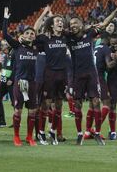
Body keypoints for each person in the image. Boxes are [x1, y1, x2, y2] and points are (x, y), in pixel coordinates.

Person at [67, 2, 117, 146]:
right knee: (78, 105)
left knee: (96, 102)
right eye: (71, 24)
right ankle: (80, 134)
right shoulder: (68, 37)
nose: (72, 25)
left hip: (91, 74)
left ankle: (97, 133)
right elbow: (55, 29)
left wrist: (116, 11)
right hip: (77, 75)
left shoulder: (89, 34)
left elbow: (104, 24)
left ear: (81, 25)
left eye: (75, 23)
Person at [3, 7, 38, 146]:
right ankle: (16, 136)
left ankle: (30, 137)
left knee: (33, 111)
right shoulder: (17, 46)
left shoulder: (36, 48)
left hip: (33, 82)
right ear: (22, 36)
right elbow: (5, 35)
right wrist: (6, 19)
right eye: (27, 33)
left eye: (32, 34)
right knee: (18, 110)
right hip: (20, 82)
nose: (30, 35)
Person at [34, 9, 68, 146]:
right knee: (46, 104)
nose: (60, 22)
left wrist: (55, 15)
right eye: (57, 21)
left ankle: (53, 131)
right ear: (52, 26)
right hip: (50, 73)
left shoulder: (66, 37)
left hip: (62, 74)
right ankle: (41, 132)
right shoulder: (46, 38)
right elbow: (35, 30)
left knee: (59, 105)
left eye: (61, 21)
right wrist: (43, 14)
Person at [0, 40, 14, 127]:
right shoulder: (5, 56)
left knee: (14, 102)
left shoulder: (14, 52)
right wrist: (1, 78)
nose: (6, 43)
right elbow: (5, 69)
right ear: (1, 48)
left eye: (5, 42)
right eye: (4, 44)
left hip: (11, 81)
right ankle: (2, 121)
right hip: (4, 80)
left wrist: (12, 79)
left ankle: (17, 121)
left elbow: (17, 67)